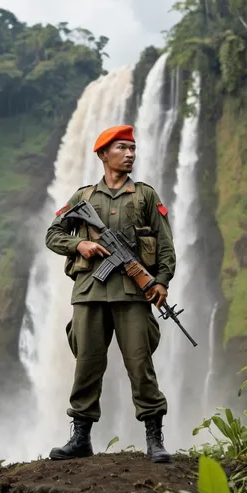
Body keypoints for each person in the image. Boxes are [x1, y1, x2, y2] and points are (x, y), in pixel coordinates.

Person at [45, 125, 176, 463]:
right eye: (121, 148)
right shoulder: (83, 198)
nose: (130, 153)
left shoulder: (145, 196)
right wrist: (81, 244)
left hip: (133, 294)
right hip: (90, 292)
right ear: (103, 154)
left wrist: (160, 282)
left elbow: (165, 246)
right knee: (87, 364)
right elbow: (52, 234)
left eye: (132, 148)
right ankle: (80, 438)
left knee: (140, 363)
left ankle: (154, 438)